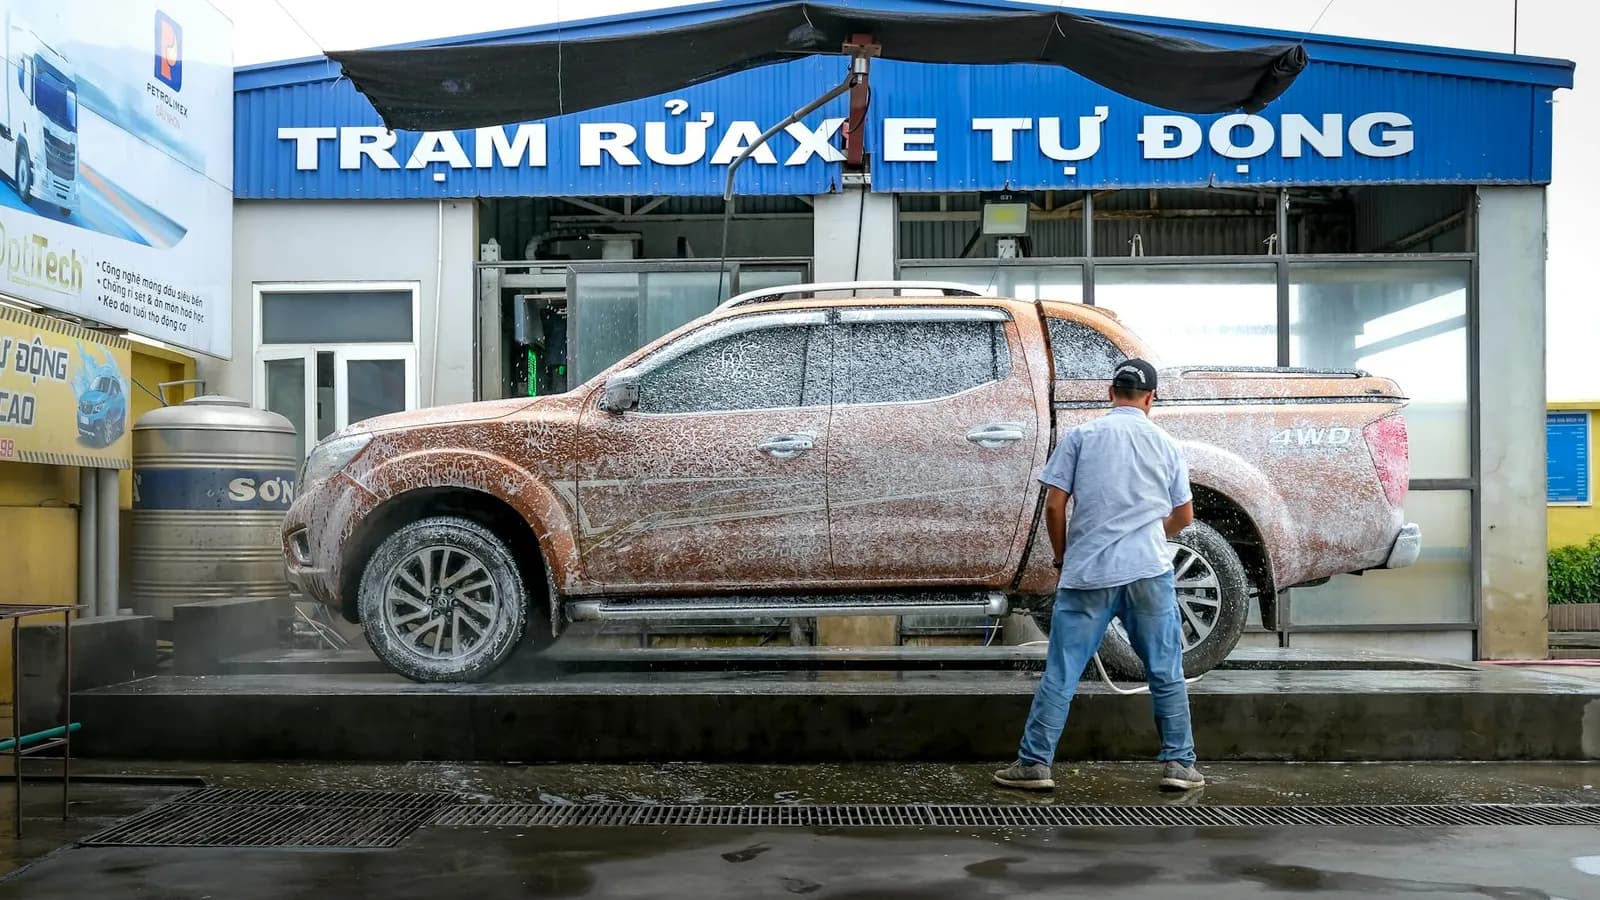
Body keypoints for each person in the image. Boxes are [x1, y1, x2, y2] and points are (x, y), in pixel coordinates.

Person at [993, 358, 1204, 793]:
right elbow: (1184, 515)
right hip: (1148, 572)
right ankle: (1180, 766)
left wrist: (1062, 557)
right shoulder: (1165, 443)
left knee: (1063, 672)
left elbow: (1054, 506)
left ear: (1111, 393)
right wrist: (1149, 533)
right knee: (1165, 669)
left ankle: (1035, 764)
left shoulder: (1081, 437)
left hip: (1087, 574)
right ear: (1150, 398)